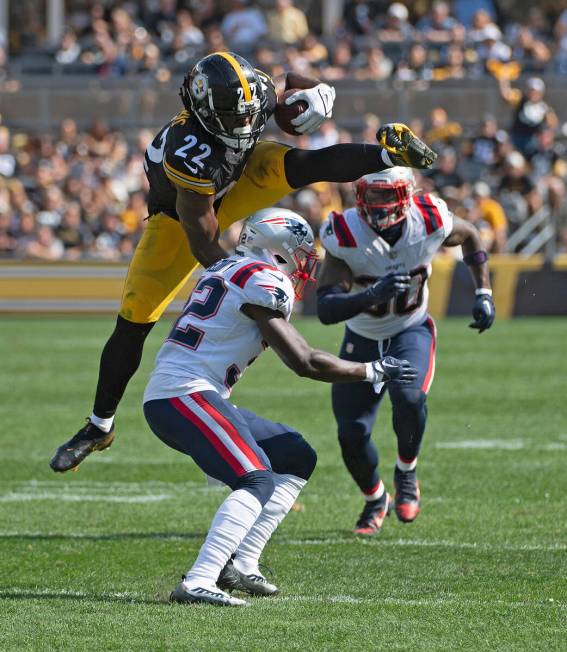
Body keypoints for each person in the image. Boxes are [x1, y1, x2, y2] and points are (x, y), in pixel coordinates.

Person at [50, 50, 437, 473]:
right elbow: (202, 239)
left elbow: (292, 80)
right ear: (205, 113)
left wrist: (322, 94)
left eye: (247, 114)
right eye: (233, 119)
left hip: (238, 174)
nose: (245, 123)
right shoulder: (189, 152)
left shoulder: (250, 94)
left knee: (303, 164)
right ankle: (98, 426)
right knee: (134, 317)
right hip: (183, 218)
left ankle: (386, 154)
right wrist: (243, 281)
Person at [143, 208, 417, 605]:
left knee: (294, 454)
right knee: (256, 480)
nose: (304, 265)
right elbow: (304, 361)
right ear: (280, 251)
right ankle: (200, 578)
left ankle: (242, 563)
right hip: (184, 394)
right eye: (302, 254)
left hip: (189, 393)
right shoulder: (262, 279)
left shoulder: (226, 268)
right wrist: (371, 370)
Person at [316, 167, 495, 535]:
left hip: (410, 329)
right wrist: (369, 295)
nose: (377, 205)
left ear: (406, 194)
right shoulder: (345, 231)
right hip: (361, 337)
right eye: (371, 194)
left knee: (410, 397)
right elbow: (325, 309)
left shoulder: (428, 219)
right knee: (351, 432)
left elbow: (472, 235)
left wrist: (484, 293)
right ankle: (375, 498)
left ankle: (407, 472)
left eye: (386, 195)